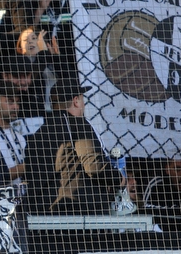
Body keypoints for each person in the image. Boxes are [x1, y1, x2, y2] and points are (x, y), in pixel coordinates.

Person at [24, 70, 114, 215]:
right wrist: (118, 179)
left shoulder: (38, 134)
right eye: (82, 98)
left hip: (44, 213)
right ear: (76, 100)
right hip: (79, 212)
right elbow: (94, 167)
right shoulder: (77, 124)